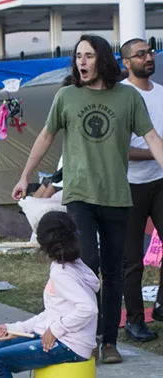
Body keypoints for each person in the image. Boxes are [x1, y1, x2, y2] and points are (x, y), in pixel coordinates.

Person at [11, 34, 163, 363]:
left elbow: (151, 137)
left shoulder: (128, 97)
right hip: (80, 195)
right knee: (85, 264)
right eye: (78, 56)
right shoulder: (66, 96)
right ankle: (86, 337)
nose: (82, 61)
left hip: (117, 197)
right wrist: (24, 176)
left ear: (102, 59)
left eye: (89, 56)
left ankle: (109, 342)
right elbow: (46, 135)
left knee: (113, 271)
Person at [0, 211, 99, 377]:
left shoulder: (62, 273)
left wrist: (55, 330)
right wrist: (15, 329)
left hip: (70, 345)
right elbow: (53, 313)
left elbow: (88, 309)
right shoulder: (68, 265)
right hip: (63, 338)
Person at [120, 38, 163, 342]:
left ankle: (161, 305)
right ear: (126, 63)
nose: (148, 57)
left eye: (150, 52)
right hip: (129, 186)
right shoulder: (121, 96)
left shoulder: (161, 94)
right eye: (141, 54)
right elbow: (119, 149)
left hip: (161, 181)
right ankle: (135, 321)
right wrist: (155, 151)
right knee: (132, 258)